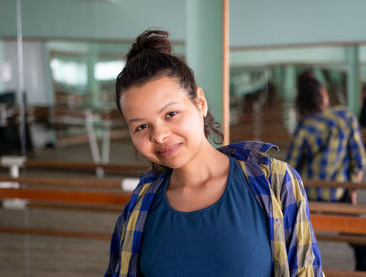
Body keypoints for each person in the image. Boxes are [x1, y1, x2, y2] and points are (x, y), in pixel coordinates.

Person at [105, 30, 324, 277]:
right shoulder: (141, 203)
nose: (159, 135)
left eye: (171, 114)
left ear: (200, 102)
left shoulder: (275, 182)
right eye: (141, 126)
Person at [286, 71, 366, 270]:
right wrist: (352, 189)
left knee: (298, 239)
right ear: (323, 94)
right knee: (360, 243)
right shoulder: (345, 116)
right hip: (340, 192)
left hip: (310, 198)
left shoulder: (303, 127)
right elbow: (359, 160)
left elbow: (291, 167)